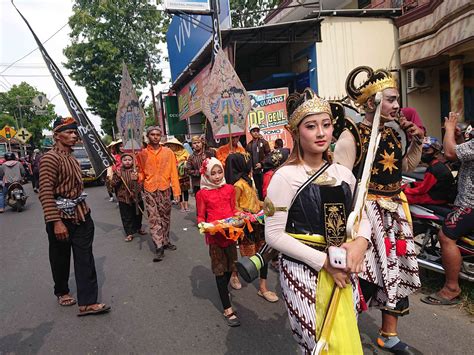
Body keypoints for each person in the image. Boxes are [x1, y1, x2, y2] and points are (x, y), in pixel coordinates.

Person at [265, 89, 371, 353]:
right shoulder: (284, 177)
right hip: (303, 271)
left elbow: (361, 218)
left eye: (326, 125)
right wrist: (324, 262)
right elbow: (274, 236)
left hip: (343, 269)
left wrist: (360, 243)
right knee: (316, 344)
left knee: (343, 337)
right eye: (311, 126)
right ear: (297, 132)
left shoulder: (344, 174)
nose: (321, 133)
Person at [333, 66, 424, 353]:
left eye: (397, 100)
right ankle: (342, 331)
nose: (398, 106)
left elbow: (405, 168)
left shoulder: (396, 134)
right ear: (373, 101)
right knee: (363, 274)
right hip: (366, 216)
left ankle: (389, 334)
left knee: (395, 271)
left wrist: (417, 141)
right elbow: (340, 183)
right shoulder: (352, 136)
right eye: (391, 100)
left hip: (395, 212)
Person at [38, 116, 110, 316]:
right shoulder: (50, 159)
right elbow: (44, 192)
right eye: (68, 132)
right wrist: (56, 223)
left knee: (84, 257)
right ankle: (62, 291)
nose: (73, 135)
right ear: (57, 135)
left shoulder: (72, 157)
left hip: (82, 214)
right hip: (60, 218)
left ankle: (87, 302)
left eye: (74, 132)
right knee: (60, 257)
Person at [421, 112, 474, 305]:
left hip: (470, 204)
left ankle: (452, 287)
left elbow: (451, 153)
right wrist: (458, 138)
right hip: (465, 200)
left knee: (446, 236)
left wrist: (450, 129)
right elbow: (462, 155)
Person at [225, 152, 278, 303]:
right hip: (247, 225)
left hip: (259, 224)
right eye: (245, 161)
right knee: (248, 256)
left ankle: (263, 288)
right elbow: (234, 208)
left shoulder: (249, 181)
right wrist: (247, 215)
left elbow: (255, 201)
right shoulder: (237, 185)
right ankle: (234, 273)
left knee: (263, 255)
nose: (248, 162)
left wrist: (267, 204)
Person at [196, 157, 241, 327]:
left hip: (230, 234)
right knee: (220, 271)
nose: (216, 176)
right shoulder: (202, 194)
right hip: (215, 237)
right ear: (206, 175)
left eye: (219, 172)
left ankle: (224, 291)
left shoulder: (230, 189)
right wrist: (204, 225)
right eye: (212, 173)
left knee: (231, 267)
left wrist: (239, 216)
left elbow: (234, 209)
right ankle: (227, 308)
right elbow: (200, 216)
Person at [136, 126, 181, 262]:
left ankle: (166, 240)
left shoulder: (168, 152)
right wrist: (136, 176)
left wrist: (177, 192)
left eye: (158, 134)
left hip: (165, 188)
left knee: (165, 217)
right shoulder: (141, 154)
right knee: (154, 218)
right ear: (148, 136)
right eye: (152, 134)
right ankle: (159, 246)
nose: (155, 137)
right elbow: (141, 173)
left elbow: (174, 172)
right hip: (149, 190)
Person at [403, 136, 456, 205]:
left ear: (436, 154)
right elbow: (427, 184)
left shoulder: (434, 169)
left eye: (426, 150)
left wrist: (405, 190)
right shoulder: (436, 166)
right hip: (439, 194)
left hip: (437, 198)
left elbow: (422, 189)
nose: (423, 153)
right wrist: (412, 184)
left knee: (404, 198)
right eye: (422, 150)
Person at [111, 153, 145, 242]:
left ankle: (138, 228)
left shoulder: (136, 170)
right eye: (125, 160)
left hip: (136, 198)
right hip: (123, 198)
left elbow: (140, 183)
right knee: (126, 216)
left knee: (138, 214)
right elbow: (113, 184)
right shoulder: (118, 171)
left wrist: (134, 192)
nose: (127, 162)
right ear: (121, 161)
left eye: (129, 160)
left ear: (133, 161)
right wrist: (118, 177)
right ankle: (129, 233)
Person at [164, 137, 191, 212]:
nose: (171, 147)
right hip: (175, 176)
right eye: (170, 145)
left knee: (185, 190)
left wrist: (184, 163)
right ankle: (181, 206)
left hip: (184, 174)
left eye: (172, 145)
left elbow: (189, 160)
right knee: (178, 190)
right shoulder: (170, 154)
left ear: (176, 145)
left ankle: (186, 205)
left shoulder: (185, 151)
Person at [246, 124, 270, 199]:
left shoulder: (264, 142)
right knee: (258, 188)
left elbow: (269, 155)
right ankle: (262, 205)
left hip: (263, 170)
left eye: (257, 131)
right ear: (250, 133)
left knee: (266, 187)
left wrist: (262, 164)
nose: (256, 133)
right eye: (254, 131)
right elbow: (247, 158)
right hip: (255, 171)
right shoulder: (249, 145)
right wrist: (249, 169)